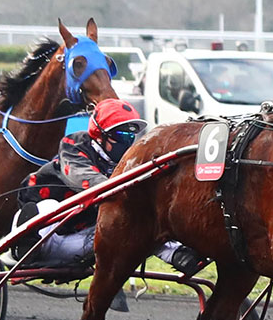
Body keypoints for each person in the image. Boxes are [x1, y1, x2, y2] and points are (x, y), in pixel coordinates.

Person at [16, 99, 202, 274]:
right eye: (121, 135)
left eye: (131, 136)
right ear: (100, 135)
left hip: (82, 240)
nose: (128, 141)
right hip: (48, 231)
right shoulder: (75, 145)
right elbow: (80, 175)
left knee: (139, 222)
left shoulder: (127, 161)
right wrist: (122, 190)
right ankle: (26, 247)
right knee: (48, 207)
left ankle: (178, 255)